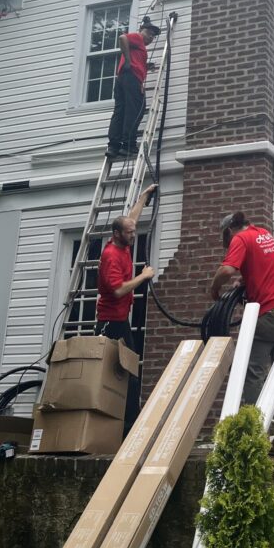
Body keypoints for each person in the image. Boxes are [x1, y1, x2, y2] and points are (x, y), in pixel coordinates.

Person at [210, 211, 274, 455]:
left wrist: (213, 288)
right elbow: (269, 270)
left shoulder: (240, 239)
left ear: (230, 230)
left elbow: (227, 270)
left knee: (252, 371)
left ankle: (253, 432)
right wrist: (247, 284)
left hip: (267, 314)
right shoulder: (264, 235)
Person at [95, 183, 157, 428]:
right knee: (122, 373)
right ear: (117, 234)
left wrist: (144, 195)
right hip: (111, 323)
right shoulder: (111, 256)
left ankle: (129, 422)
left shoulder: (125, 239)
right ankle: (127, 425)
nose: (134, 234)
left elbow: (132, 217)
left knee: (129, 370)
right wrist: (144, 276)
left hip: (122, 320)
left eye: (134, 231)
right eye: (130, 233)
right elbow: (118, 290)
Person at [105, 17, 160, 158]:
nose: (151, 37)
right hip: (131, 78)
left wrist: (145, 66)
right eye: (149, 33)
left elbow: (135, 61)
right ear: (141, 30)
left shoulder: (139, 48)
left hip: (123, 79)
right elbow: (123, 38)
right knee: (136, 110)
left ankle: (113, 146)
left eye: (153, 36)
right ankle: (128, 145)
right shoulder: (137, 38)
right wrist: (128, 61)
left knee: (121, 111)